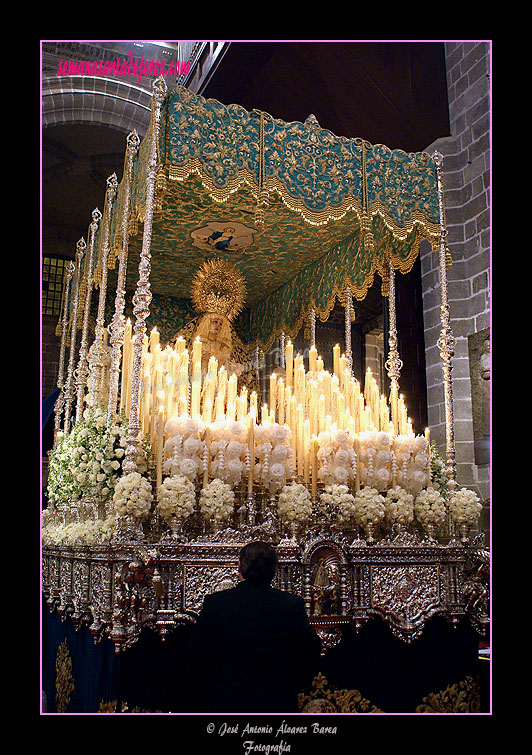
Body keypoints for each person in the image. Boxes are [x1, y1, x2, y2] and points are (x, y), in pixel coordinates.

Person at [185, 540, 322, 713]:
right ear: (274, 570)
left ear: (239, 568)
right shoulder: (290, 604)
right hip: (276, 703)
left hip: (227, 702)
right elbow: (312, 649)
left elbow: (195, 653)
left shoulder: (216, 603)